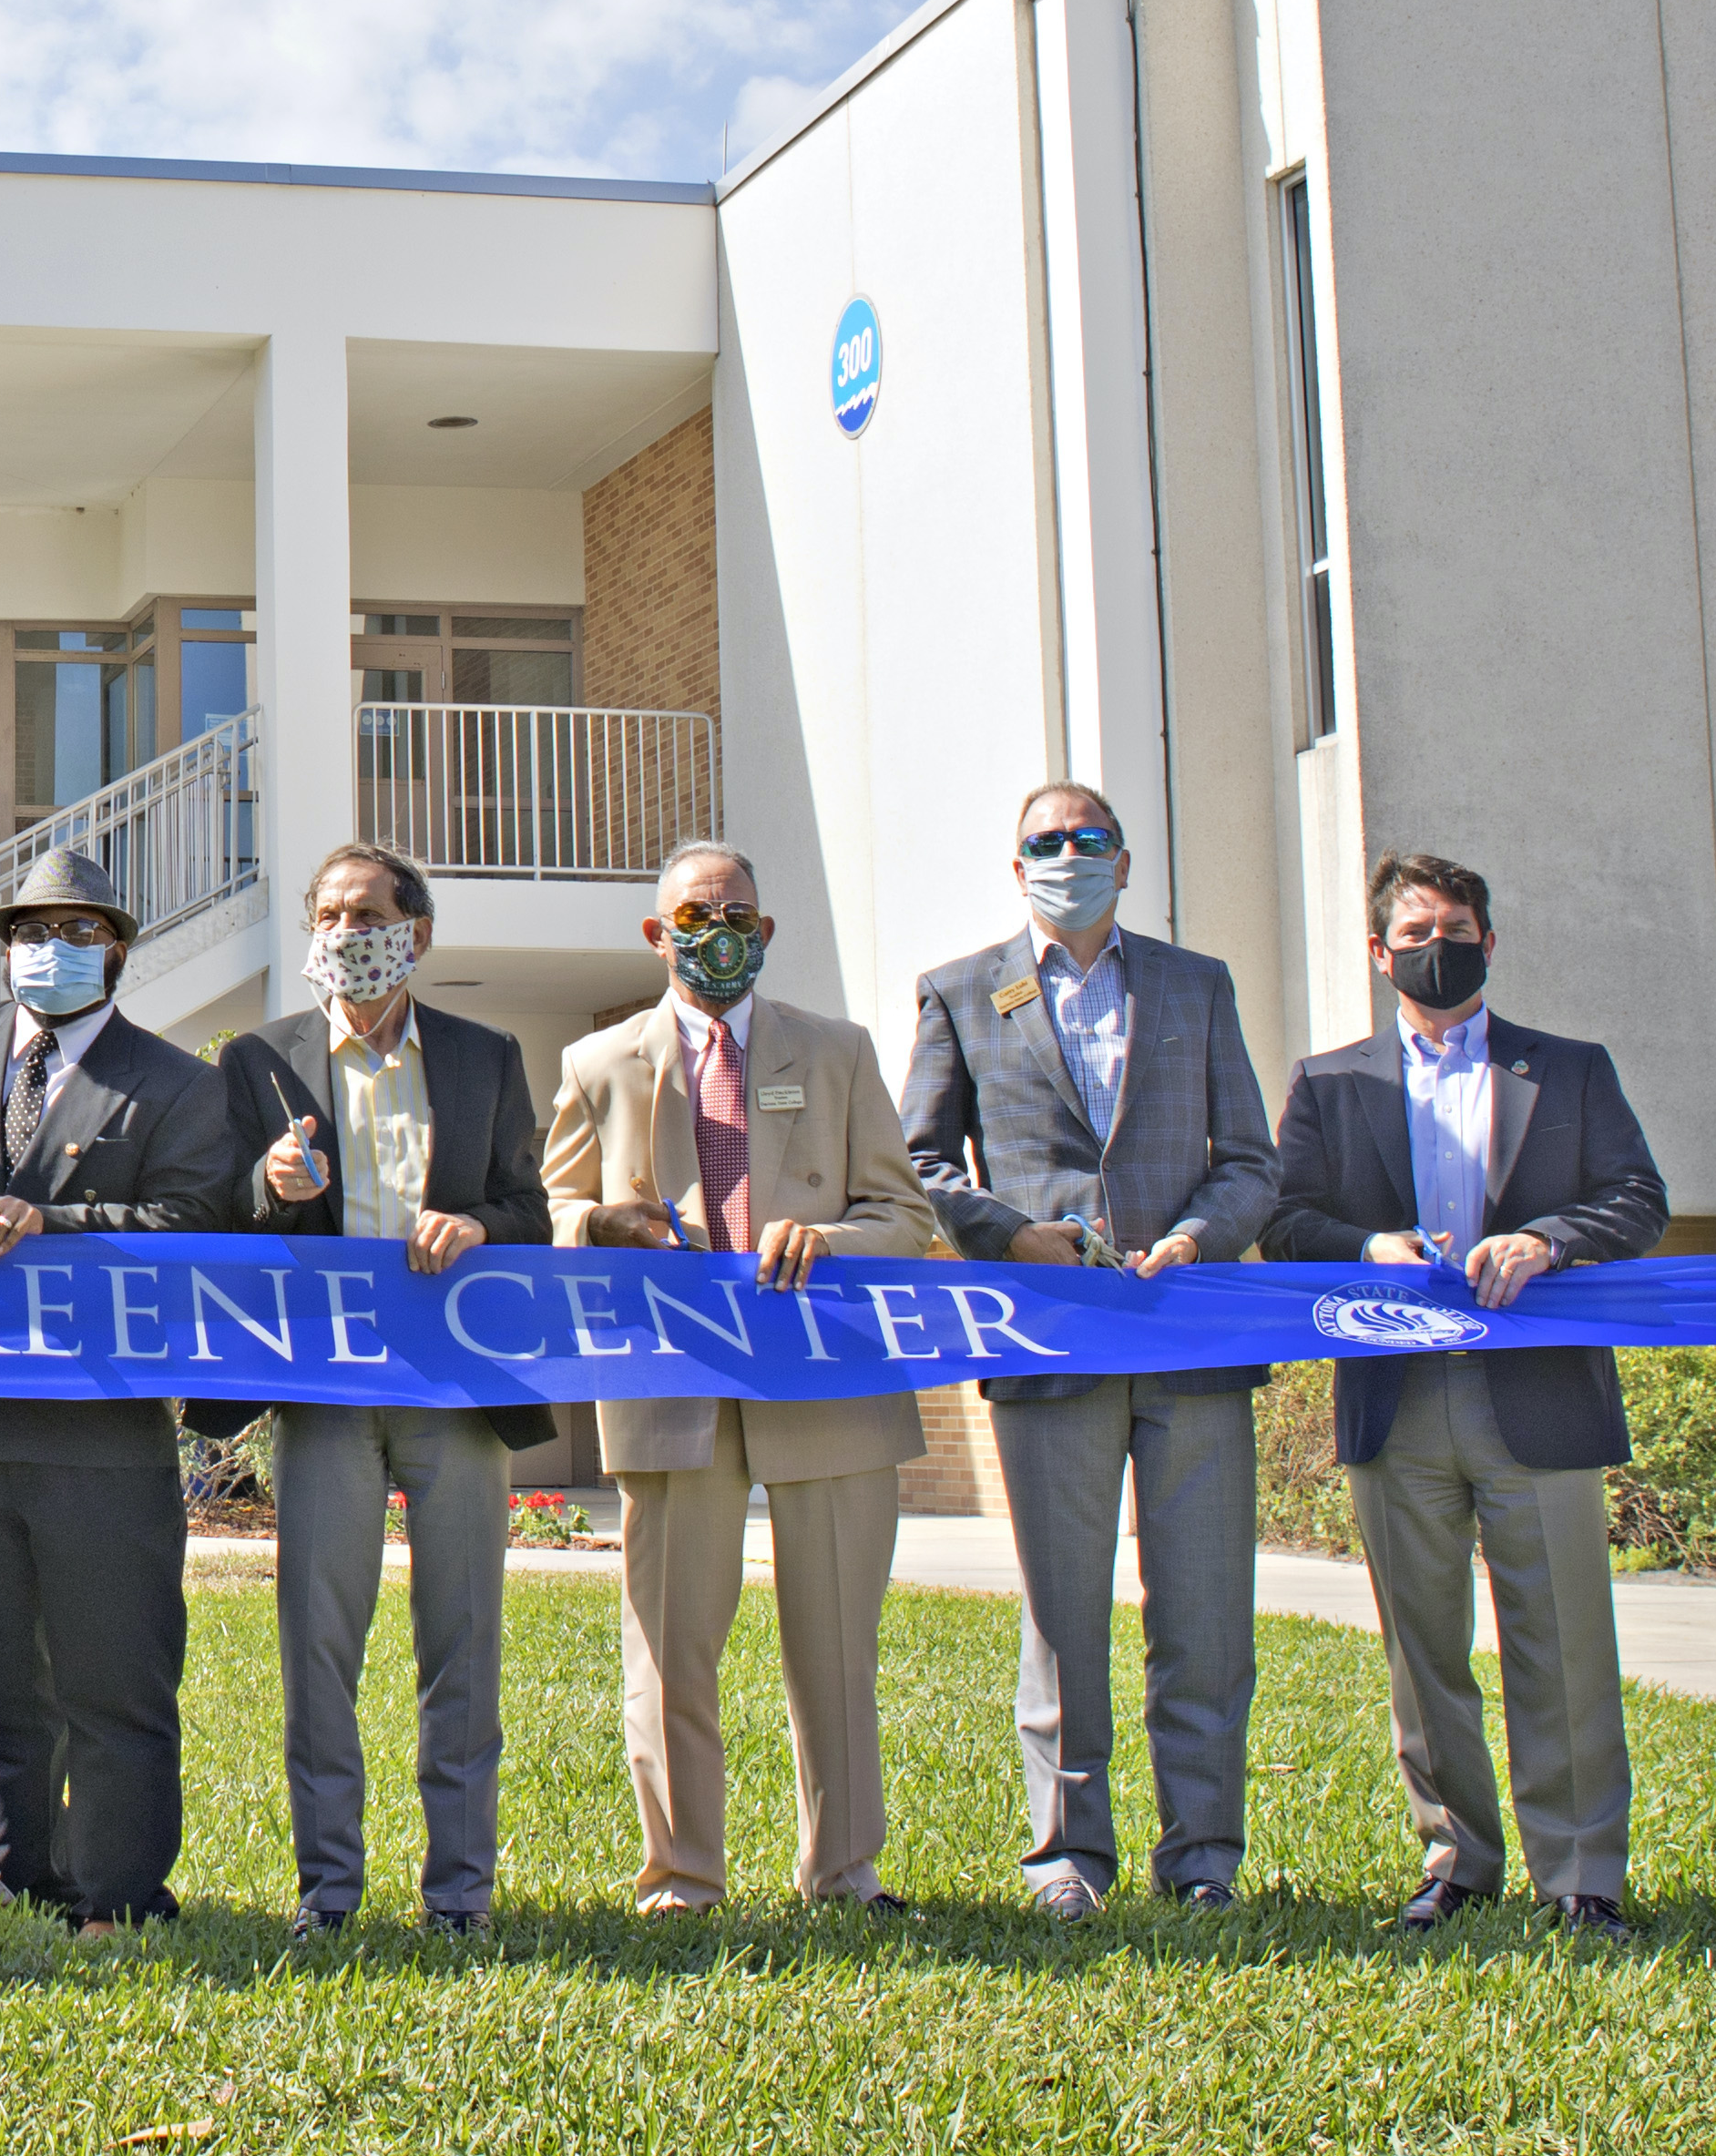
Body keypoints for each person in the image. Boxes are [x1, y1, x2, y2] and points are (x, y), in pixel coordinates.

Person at [1261, 851, 1669, 1936]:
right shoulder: (1330, 1080)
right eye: (1412, 930)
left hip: (1536, 1391)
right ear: (1377, 952)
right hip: (1400, 1399)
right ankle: (1456, 1857)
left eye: (1454, 927)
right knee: (1422, 1645)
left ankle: (1581, 1872)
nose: (1432, 945)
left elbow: (1637, 1197)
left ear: (1489, 941)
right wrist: (1367, 1245)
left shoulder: (1570, 1069)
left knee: (1566, 1639)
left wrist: (1547, 1236)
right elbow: (1287, 1218)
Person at [899, 781, 1280, 1917]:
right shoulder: (962, 991)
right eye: (1045, 843)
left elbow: (1251, 1160)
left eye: (1089, 839)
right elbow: (921, 1162)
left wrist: (1201, 1236)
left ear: (1125, 859)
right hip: (1048, 1341)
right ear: (1018, 868)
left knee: (1204, 1612)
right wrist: (1010, 1234)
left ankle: (1202, 1853)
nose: (1069, 854)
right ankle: (1068, 1854)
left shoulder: (1195, 984)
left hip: (1187, 1344)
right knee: (1064, 1613)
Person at [545, 840, 935, 1915]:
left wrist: (830, 1240)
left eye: (739, 915)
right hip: (672, 1385)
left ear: (765, 930)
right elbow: (547, 1215)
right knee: (670, 1652)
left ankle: (844, 1871)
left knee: (837, 1649)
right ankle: (682, 1874)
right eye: (694, 913)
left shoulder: (841, 1050)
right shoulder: (599, 1061)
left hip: (829, 1385)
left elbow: (908, 1213)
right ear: (654, 932)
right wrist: (598, 1222)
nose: (718, 931)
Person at [0, 843, 240, 1932]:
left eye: (78, 931)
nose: (50, 949)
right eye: (31, 930)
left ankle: (117, 1889)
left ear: (117, 948)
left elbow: (194, 1221)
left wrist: (59, 1223)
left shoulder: (177, 1082)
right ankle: (12, 1875)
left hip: (101, 1427)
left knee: (114, 1673)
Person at [213, 841, 546, 1935]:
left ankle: (461, 1894)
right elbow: (220, 1221)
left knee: (462, 1642)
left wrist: (481, 1225)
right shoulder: (259, 1059)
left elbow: (530, 1212)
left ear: (418, 932)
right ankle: (330, 1892)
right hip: (325, 1393)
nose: (345, 934)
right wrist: (269, 1185)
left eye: (367, 915)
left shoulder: (484, 1055)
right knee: (317, 1645)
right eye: (328, 915)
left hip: (454, 1391)